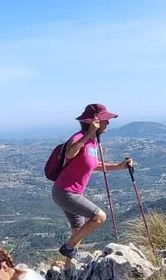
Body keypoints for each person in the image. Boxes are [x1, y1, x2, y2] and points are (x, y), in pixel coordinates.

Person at [52, 103, 134, 260]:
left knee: (78, 230)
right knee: (99, 217)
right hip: (65, 192)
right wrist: (89, 134)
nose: (108, 123)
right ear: (94, 121)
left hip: (69, 192)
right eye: (105, 119)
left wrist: (119, 166)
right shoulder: (80, 138)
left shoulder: (92, 142)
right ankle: (67, 247)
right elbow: (70, 152)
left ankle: (69, 266)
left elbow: (93, 164)